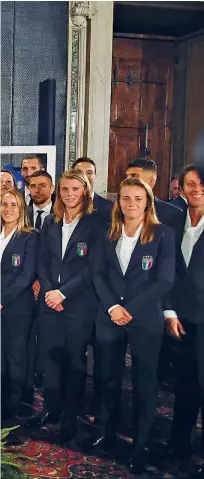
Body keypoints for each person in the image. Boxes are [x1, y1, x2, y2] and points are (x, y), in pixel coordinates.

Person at [83, 176, 175, 475]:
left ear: (148, 202)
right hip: (109, 317)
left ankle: (140, 444)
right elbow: (97, 273)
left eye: (137, 198)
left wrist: (129, 310)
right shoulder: (106, 232)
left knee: (144, 385)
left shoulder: (163, 234)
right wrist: (113, 307)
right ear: (118, 202)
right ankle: (106, 433)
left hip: (144, 319)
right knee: (107, 379)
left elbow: (164, 281)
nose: (131, 204)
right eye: (125, 198)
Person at [26, 169, 104, 442]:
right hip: (50, 302)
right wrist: (49, 291)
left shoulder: (96, 223)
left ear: (85, 190)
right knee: (52, 359)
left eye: (75, 189)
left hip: (79, 304)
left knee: (74, 361)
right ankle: (51, 409)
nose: (69, 194)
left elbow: (92, 267)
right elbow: (42, 262)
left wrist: (63, 294)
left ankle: (70, 417)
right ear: (58, 191)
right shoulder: (50, 222)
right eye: (65, 189)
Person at [164, 165, 204, 477]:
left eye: (201, 184)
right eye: (190, 184)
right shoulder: (172, 223)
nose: (197, 189)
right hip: (180, 321)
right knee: (185, 388)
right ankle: (179, 448)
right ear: (180, 188)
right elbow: (166, 276)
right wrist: (170, 312)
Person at [1, 189, 39, 419]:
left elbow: (27, 275)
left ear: (22, 209)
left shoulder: (30, 236)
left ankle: (13, 404)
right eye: (4, 204)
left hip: (16, 306)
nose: (8, 209)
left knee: (15, 355)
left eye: (14, 205)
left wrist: (2, 300)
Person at [25, 170, 55, 395]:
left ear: (52, 188)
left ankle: (44, 375)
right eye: (33, 186)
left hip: (51, 287)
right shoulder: (20, 212)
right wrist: (31, 279)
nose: (37, 190)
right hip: (24, 286)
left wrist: (43, 282)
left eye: (43, 185)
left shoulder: (61, 215)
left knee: (47, 333)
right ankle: (27, 376)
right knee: (26, 333)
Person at [126, 158, 182, 225]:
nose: (127, 179)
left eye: (134, 176)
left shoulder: (173, 214)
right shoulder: (116, 210)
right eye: (127, 176)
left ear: (150, 181)